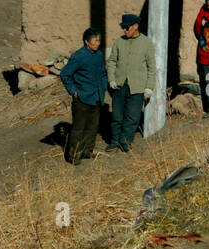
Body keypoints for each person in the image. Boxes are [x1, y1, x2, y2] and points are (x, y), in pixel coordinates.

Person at [105, 13, 155, 152]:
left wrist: (149, 87)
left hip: (137, 86)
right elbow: (112, 62)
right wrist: (112, 79)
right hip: (120, 85)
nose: (125, 30)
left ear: (135, 26)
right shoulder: (119, 42)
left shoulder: (146, 43)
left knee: (132, 116)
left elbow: (151, 68)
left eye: (127, 28)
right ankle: (114, 141)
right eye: (123, 28)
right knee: (116, 115)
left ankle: (126, 140)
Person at [59, 27, 109, 165]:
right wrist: (74, 90)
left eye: (99, 40)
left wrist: (103, 86)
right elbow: (65, 74)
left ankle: (87, 152)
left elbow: (103, 73)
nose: (98, 43)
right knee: (79, 128)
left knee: (92, 127)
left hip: (96, 97)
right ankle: (74, 156)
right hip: (82, 98)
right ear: (87, 42)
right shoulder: (79, 56)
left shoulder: (98, 55)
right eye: (95, 41)